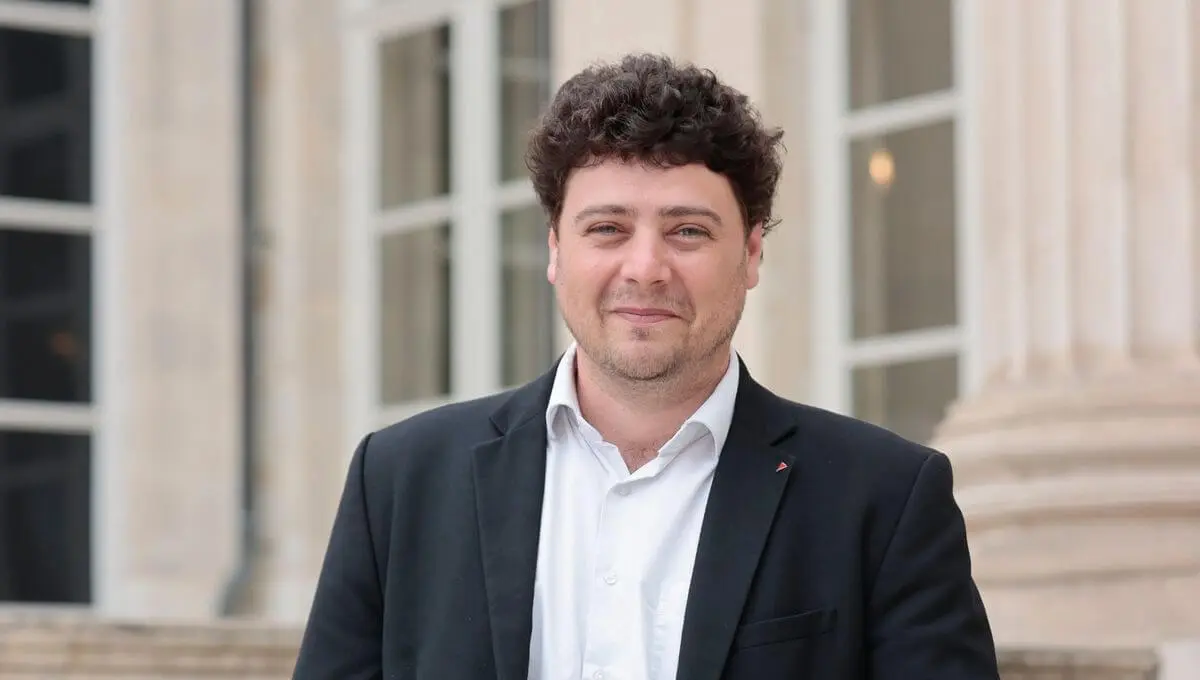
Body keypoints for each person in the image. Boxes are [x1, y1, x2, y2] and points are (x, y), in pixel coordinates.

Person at [292, 53, 1000, 680]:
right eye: (607, 228)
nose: (645, 268)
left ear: (752, 253)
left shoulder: (886, 499)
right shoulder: (398, 481)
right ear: (555, 249)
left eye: (688, 231)